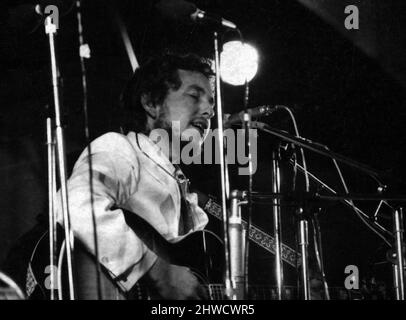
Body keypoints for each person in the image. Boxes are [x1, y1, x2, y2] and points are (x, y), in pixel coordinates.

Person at [54, 52, 215, 300]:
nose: (208, 110)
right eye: (194, 96)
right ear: (151, 102)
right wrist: (157, 271)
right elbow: (74, 205)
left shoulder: (185, 192)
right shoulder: (120, 148)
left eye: (211, 102)